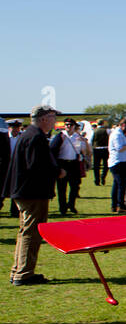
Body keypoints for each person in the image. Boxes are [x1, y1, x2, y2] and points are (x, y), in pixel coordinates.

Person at [7, 106, 64, 285]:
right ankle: (24, 273)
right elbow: (37, 166)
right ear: (43, 118)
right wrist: (57, 172)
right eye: (53, 117)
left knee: (25, 231)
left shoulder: (29, 134)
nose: (55, 121)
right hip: (32, 192)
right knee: (32, 233)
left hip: (25, 191)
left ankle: (18, 270)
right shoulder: (36, 137)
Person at [50, 120, 85, 215]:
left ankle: (71, 205)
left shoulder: (77, 137)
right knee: (62, 188)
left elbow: (82, 150)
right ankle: (63, 208)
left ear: (74, 126)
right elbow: (52, 150)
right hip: (63, 163)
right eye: (67, 125)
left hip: (74, 164)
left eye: (70, 125)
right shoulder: (61, 136)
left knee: (75, 186)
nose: (68, 126)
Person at [91, 119, 110, 185]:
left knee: (96, 166)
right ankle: (103, 177)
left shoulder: (94, 130)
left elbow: (91, 140)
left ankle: (97, 180)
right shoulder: (107, 130)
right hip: (105, 148)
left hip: (96, 149)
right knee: (106, 165)